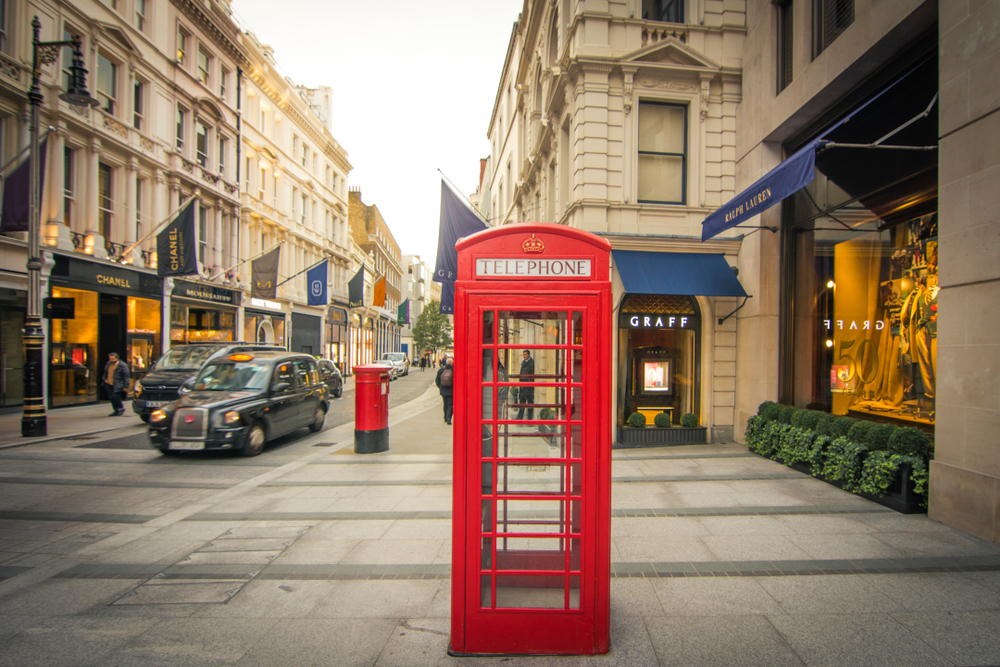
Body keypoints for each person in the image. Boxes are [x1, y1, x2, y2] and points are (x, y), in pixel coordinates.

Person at [103, 352, 130, 417]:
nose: (111, 360)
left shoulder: (123, 365)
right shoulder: (108, 364)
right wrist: (105, 379)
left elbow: (126, 376)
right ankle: (116, 410)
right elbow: (105, 372)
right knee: (111, 397)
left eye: (112, 358)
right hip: (109, 383)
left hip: (118, 383)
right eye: (110, 358)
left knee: (115, 396)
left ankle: (120, 408)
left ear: (117, 358)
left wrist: (126, 386)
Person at [436, 356, 455, 425]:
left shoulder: (441, 370)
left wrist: (440, 387)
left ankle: (445, 417)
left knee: (445, 404)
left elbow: (437, 381)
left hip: (443, 390)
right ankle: (448, 418)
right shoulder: (454, 370)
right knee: (450, 404)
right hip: (451, 390)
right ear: (452, 364)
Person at [517, 349, 534, 420]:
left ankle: (529, 417)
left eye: (525, 354)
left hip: (529, 386)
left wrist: (530, 381)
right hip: (522, 386)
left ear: (529, 355)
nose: (524, 356)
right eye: (523, 354)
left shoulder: (532, 362)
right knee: (522, 402)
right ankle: (520, 416)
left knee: (530, 402)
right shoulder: (523, 362)